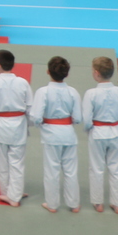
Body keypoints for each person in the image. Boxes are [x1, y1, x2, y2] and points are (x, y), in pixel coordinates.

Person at [30, 55, 81, 213]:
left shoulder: (43, 92)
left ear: (48, 71)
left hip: (51, 135)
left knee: (52, 171)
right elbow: (78, 118)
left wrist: (42, 123)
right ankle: (74, 204)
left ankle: (52, 204)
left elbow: (35, 117)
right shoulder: (73, 92)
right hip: (69, 134)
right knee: (70, 171)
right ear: (67, 74)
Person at [83, 55, 118, 214]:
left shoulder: (91, 93)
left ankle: (98, 203)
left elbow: (87, 119)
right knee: (116, 169)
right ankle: (117, 204)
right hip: (116, 132)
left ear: (96, 73)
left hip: (97, 133)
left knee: (96, 168)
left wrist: (89, 130)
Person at [0, 48, 33, 207]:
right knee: (17, 161)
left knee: (2, 161)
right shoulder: (23, 82)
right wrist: (29, 123)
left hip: (1, 124)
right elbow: (30, 107)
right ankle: (15, 192)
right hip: (19, 124)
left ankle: (9, 193)